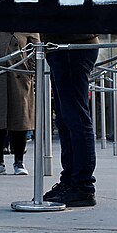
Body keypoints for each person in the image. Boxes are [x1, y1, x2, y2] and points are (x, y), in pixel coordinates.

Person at [43, 30, 100, 208]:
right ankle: (71, 180)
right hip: (61, 45)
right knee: (66, 118)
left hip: (70, 44)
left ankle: (82, 184)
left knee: (75, 117)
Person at [0, 31, 36, 176]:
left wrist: (30, 72)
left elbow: (37, 47)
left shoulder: (25, 24)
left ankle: (19, 161)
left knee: (20, 118)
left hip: (19, 76)